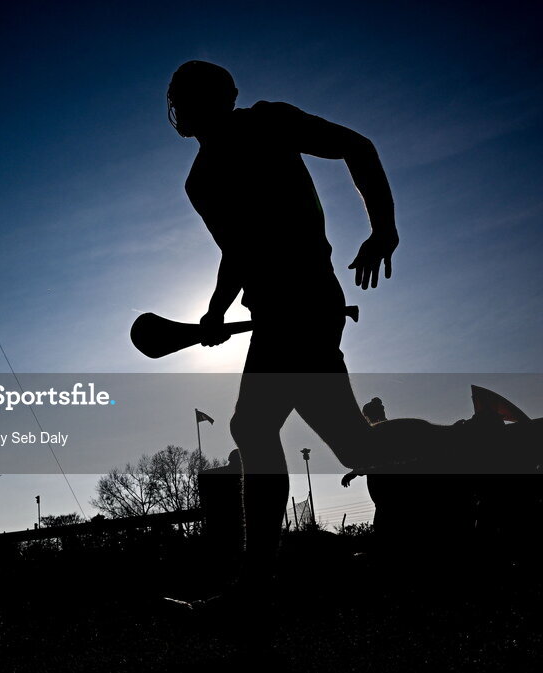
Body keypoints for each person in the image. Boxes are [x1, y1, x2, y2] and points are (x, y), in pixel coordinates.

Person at [166, 61, 399, 588]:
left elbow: (358, 147)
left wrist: (383, 228)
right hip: (276, 311)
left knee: (251, 426)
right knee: (351, 442)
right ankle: (427, 482)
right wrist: (217, 310)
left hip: (306, 303)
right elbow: (240, 250)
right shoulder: (199, 181)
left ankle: (253, 588)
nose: (185, 108)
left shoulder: (268, 122)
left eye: (189, 97)